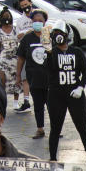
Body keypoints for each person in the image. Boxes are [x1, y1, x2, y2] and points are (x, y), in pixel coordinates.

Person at [45, 22, 86, 171]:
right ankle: (53, 159)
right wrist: (45, 53)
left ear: (67, 34)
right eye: (56, 33)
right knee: (55, 128)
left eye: (61, 33)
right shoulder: (50, 53)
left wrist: (80, 87)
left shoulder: (77, 52)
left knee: (82, 127)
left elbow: (85, 72)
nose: (59, 36)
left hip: (75, 94)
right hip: (56, 94)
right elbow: (45, 72)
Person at [16, 9, 50, 138]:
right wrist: (18, 75)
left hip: (49, 78)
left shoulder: (48, 35)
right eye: (35, 21)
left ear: (45, 22)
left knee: (52, 105)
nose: (37, 23)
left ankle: (56, 129)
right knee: (38, 105)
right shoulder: (27, 38)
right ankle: (40, 128)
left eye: (40, 21)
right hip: (34, 77)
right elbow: (20, 58)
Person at [0, 8, 24, 112]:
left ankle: (16, 103)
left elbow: (19, 40)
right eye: (4, 17)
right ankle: (3, 101)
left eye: (8, 16)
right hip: (4, 57)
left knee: (16, 78)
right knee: (2, 79)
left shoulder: (15, 29)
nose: (6, 18)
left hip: (15, 57)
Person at [13, 0, 37, 112]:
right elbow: (17, 37)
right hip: (25, 50)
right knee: (25, 78)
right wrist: (26, 32)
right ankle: (26, 101)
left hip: (37, 51)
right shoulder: (20, 21)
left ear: (30, 3)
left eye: (26, 5)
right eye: (22, 6)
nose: (25, 8)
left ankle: (40, 102)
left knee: (39, 77)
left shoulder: (38, 16)